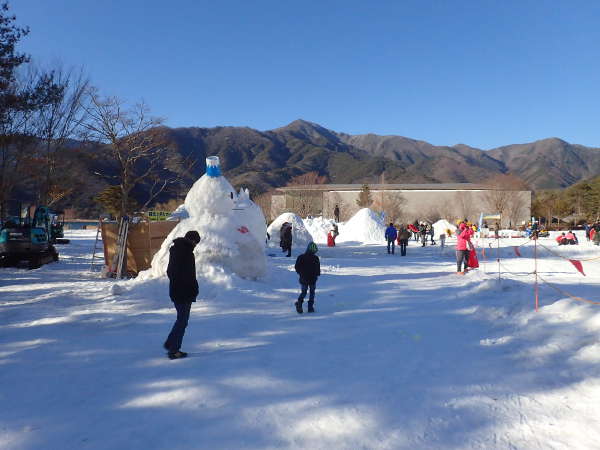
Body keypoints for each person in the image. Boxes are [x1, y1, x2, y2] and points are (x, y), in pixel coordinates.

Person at [163, 230, 201, 360]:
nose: (195, 245)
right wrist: (191, 289)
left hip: (176, 291)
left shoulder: (176, 251)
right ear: (192, 241)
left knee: (181, 320)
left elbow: (170, 272)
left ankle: (170, 342)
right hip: (183, 294)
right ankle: (174, 351)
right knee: (182, 321)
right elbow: (188, 276)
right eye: (196, 242)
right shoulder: (186, 254)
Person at [294, 242, 320, 313]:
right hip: (312, 278)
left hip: (304, 278)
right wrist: (317, 275)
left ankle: (299, 303)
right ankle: (310, 307)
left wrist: (301, 273)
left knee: (304, 292)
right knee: (312, 292)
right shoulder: (316, 258)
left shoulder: (301, 257)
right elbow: (318, 269)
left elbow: (297, 267)